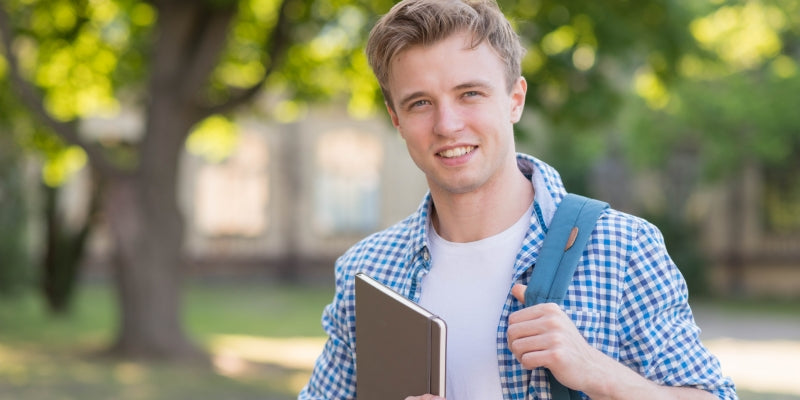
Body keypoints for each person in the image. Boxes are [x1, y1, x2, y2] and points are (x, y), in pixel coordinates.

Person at [299, 0, 737, 398]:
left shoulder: (622, 248)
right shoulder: (368, 271)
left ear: (515, 99)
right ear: (396, 118)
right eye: (419, 103)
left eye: (470, 93)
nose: (447, 124)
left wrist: (599, 373)